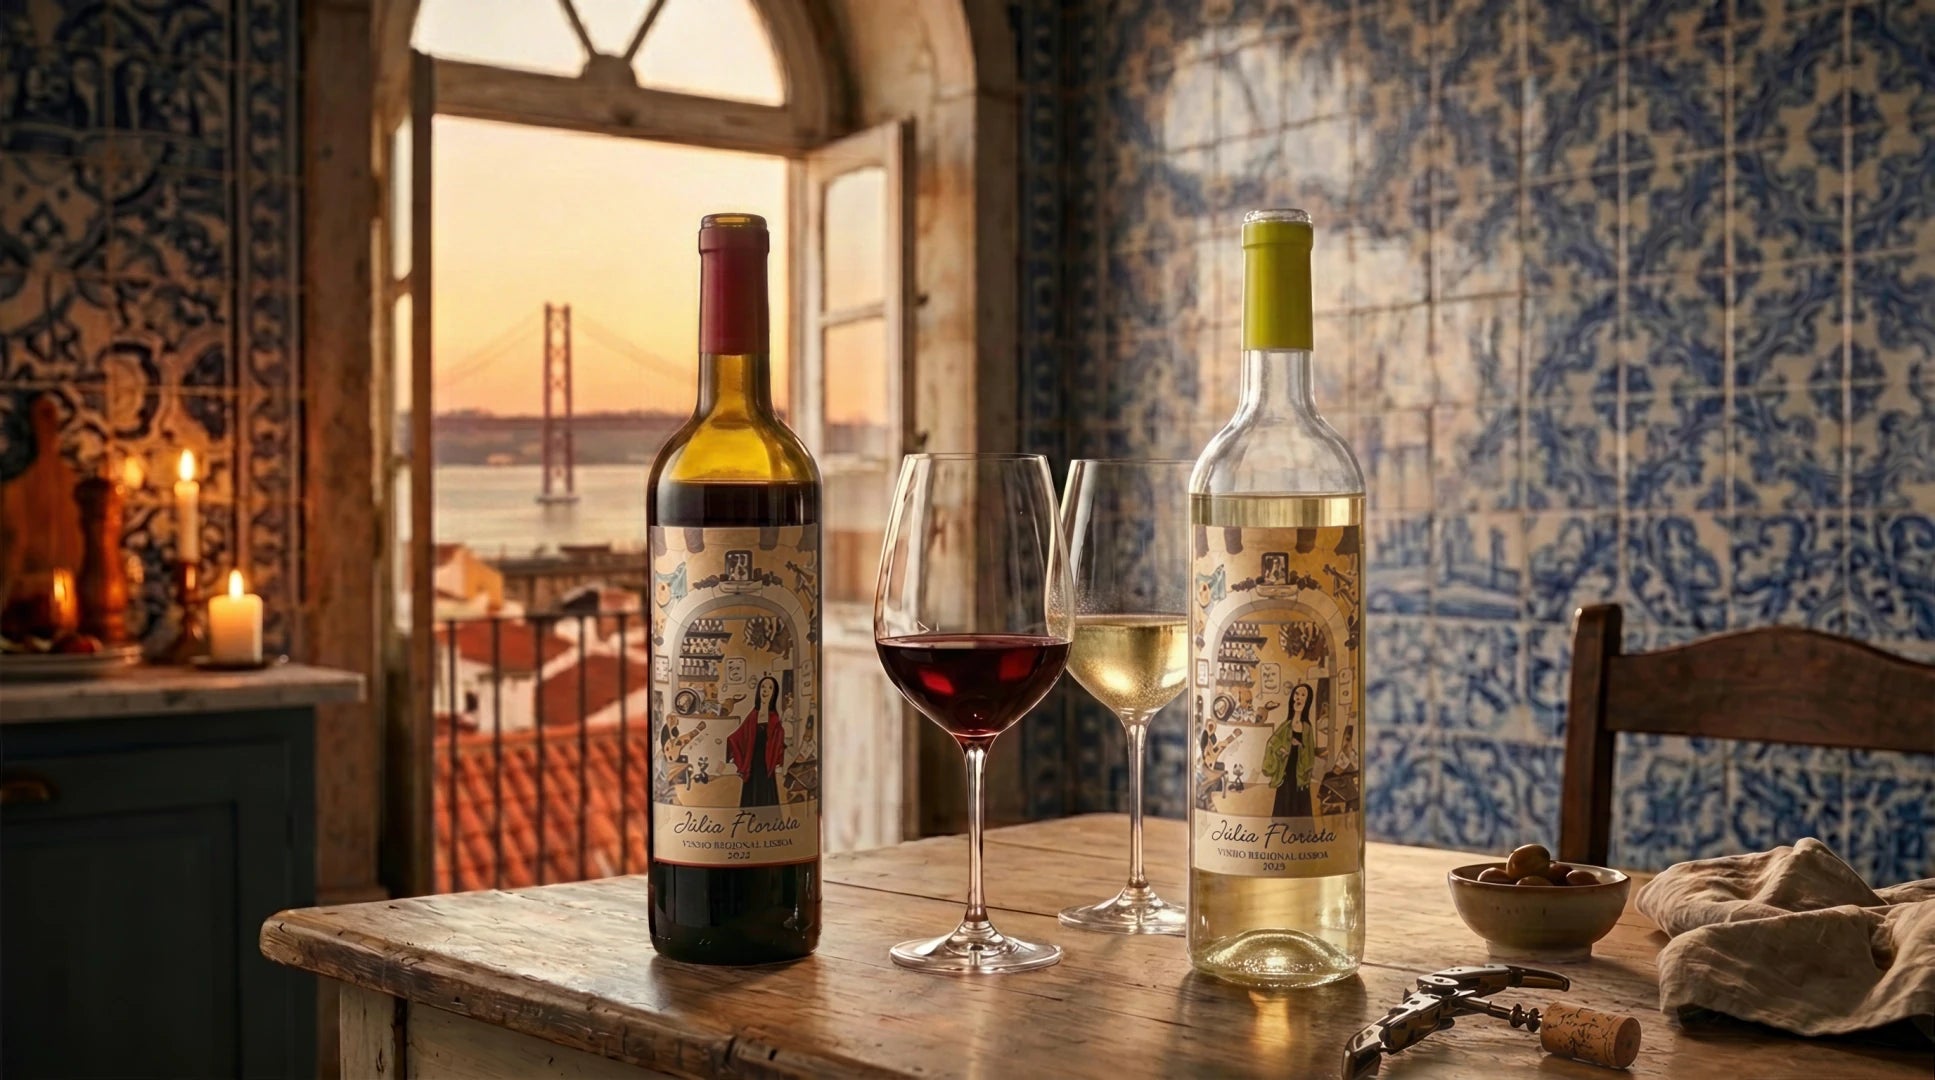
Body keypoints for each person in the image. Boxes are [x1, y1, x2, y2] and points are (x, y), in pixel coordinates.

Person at [726, 676, 786, 807]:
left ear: (774, 693)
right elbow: (740, 734)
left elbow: (778, 739)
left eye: (770, 688)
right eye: (763, 687)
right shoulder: (753, 715)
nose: (765, 690)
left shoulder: (774, 718)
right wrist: (729, 741)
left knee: (766, 788)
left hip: (766, 761)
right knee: (751, 786)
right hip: (753, 759)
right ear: (759, 690)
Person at [1263, 682, 1316, 818]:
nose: (1298, 697)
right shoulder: (1286, 725)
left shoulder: (1307, 728)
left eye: (1303, 695)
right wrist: (1281, 749)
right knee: (1285, 796)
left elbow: (1310, 754)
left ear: (1307, 701)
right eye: (1296, 694)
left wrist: (1298, 746)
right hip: (1286, 769)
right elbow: (1271, 743)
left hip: (1299, 771)